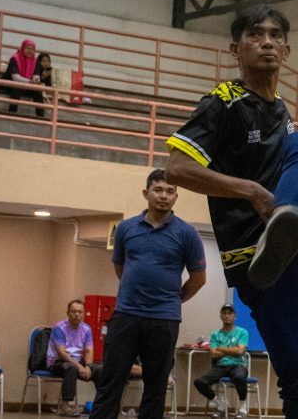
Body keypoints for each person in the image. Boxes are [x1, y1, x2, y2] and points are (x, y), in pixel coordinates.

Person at [165, 4, 298, 418]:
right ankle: (279, 226)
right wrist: (251, 192)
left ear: (287, 50)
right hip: (257, 261)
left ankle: (286, 220)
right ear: (235, 48)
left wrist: (279, 204)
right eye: (255, 34)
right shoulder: (222, 102)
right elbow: (176, 168)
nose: (267, 42)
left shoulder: (281, 110)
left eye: (275, 35)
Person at [90, 168, 207, 419]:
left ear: (176, 197)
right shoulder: (126, 228)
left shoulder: (187, 234)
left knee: (156, 387)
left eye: (170, 191)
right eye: (158, 190)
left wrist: (173, 299)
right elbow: (120, 268)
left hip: (164, 320)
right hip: (126, 315)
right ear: (146, 193)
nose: (164, 196)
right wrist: (137, 293)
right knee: (110, 383)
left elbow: (199, 278)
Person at [46, 299, 102, 417]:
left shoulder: (87, 329)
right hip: (58, 362)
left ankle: (102, 405)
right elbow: (61, 353)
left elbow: (89, 350)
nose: (77, 314)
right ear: (68, 313)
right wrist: (79, 366)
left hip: (78, 362)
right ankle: (65, 406)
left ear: (83, 314)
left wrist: (88, 367)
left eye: (80, 312)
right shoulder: (59, 327)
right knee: (71, 368)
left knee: (99, 370)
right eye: (74, 311)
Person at [194, 303, 250, 418]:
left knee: (239, 377)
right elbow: (214, 354)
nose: (227, 316)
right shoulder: (215, 335)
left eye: (230, 313)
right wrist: (232, 349)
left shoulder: (242, 332)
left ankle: (242, 407)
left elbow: (240, 351)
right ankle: (221, 404)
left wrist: (221, 348)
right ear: (220, 316)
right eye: (224, 313)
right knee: (199, 382)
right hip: (221, 366)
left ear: (235, 316)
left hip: (238, 365)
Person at [0, 39, 46, 117]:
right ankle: (12, 115)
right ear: (23, 48)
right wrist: (30, 82)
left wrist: (35, 81)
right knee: (17, 88)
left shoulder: (35, 61)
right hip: (10, 84)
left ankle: (40, 117)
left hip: (26, 85)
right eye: (28, 48)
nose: (30, 51)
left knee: (37, 91)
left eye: (32, 49)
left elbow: (36, 76)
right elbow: (15, 77)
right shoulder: (14, 59)